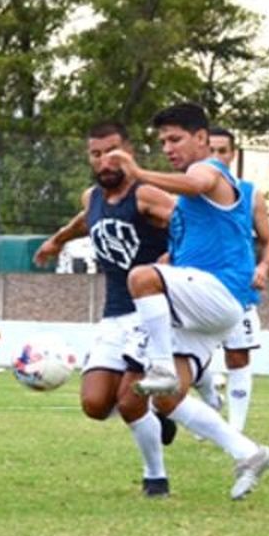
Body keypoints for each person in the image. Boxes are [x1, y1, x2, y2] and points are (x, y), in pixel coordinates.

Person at [102, 103, 269, 500]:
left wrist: (138, 173)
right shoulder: (185, 202)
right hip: (204, 305)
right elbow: (190, 248)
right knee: (165, 399)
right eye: (163, 141)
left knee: (141, 276)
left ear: (201, 139)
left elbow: (198, 183)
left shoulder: (209, 170)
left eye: (176, 139)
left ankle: (162, 365)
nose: (168, 147)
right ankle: (248, 453)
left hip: (219, 294)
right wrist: (169, 263)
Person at [34, 121, 177, 497]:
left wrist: (171, 257)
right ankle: (160, 412)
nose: (105, 161)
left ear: (129, 151)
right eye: (96, 154)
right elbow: (85, 222)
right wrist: (55, 242)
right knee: (95, 404)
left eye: (113, 152)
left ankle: (155, 478)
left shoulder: (148, 195)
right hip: (113, 316)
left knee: (129, 403)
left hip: (149, 313)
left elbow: (192, 222)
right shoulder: (92, 198)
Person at [187, 126, 269, 433]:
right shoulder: (189, 192)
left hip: (238, 291)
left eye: (222, 151)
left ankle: (234, 429)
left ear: (232, 154)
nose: (216, 157)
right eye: (210, 150)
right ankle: (211, 398)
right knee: (189, 360)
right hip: (195, 288)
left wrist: (264, 267)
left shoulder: (250, 194)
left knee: (238, 357)